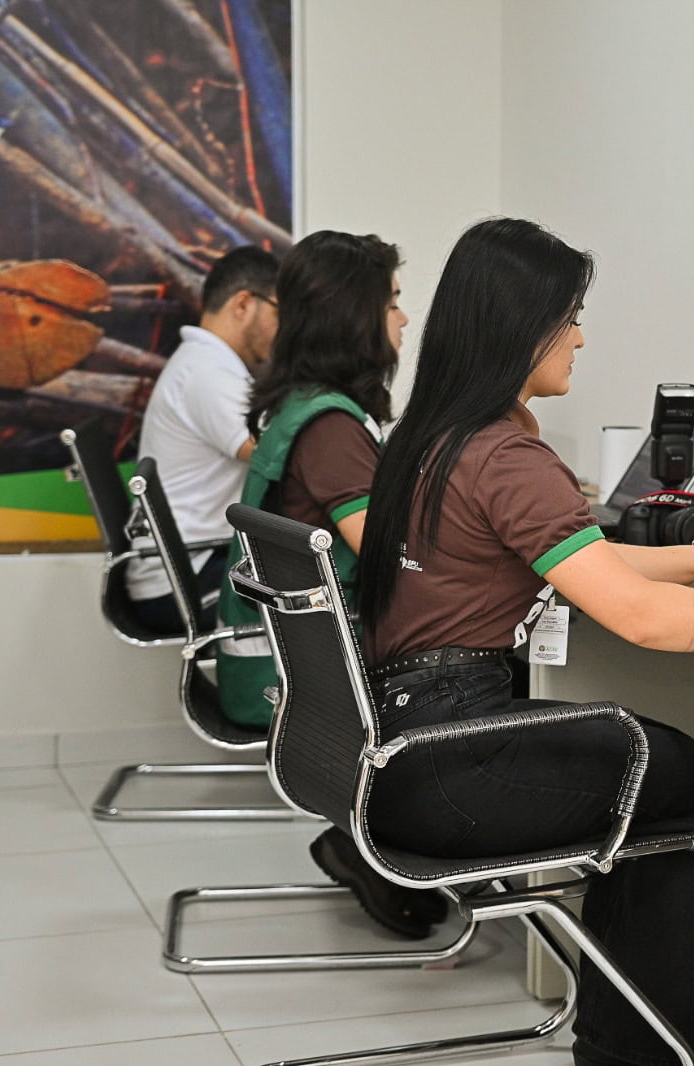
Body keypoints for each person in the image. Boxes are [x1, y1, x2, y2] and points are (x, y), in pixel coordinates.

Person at [355, 218, 694, 1066]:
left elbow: (585, 563)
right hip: (455, 764)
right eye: (570, 318)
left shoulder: (433, 436)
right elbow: (643, 620)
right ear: (521, 327)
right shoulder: (505, 457)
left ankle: (636, 1043)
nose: (580, 338)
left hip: (404, 749)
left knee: (653, 774)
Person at [212, 230, 446, 940]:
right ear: (355, 315)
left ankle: (380, 839)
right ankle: (407, 842)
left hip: (294, 664)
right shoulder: (333, 430)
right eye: (393, 302)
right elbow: (389, 554)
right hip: (327, 677)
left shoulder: (302, 408)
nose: (404, 318)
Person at [126, 246, 281, 632]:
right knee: (324, 601)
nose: (284, 330)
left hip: (192, 563)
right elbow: (273, 455)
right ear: (243, 304)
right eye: (280, 313)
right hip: (182, 581)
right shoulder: (207, 371)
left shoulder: (208, 362)